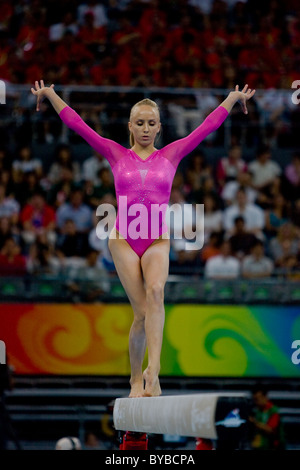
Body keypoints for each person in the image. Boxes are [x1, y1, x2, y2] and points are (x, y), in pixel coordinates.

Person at [31, 80, 255, 397]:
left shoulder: (172, 155)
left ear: (160, 127)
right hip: (123, 239)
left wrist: (232, 98)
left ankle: (154, 371)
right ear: (130, 126)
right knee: (140, 315)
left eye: (151, 123)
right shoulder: (116, 153)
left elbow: (205, 127)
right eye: (140, 123)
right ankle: (135, 377)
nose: (146, 129)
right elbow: (79, 125)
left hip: (157, 240)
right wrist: (51, 94)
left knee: (157, 291)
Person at [249, 383, 285, 450]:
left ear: (265, 397)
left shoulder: (273, 411)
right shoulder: (257, 411)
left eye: (257, 399)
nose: (255, 402)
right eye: (254, 400)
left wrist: (254, 423)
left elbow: (270, 430)